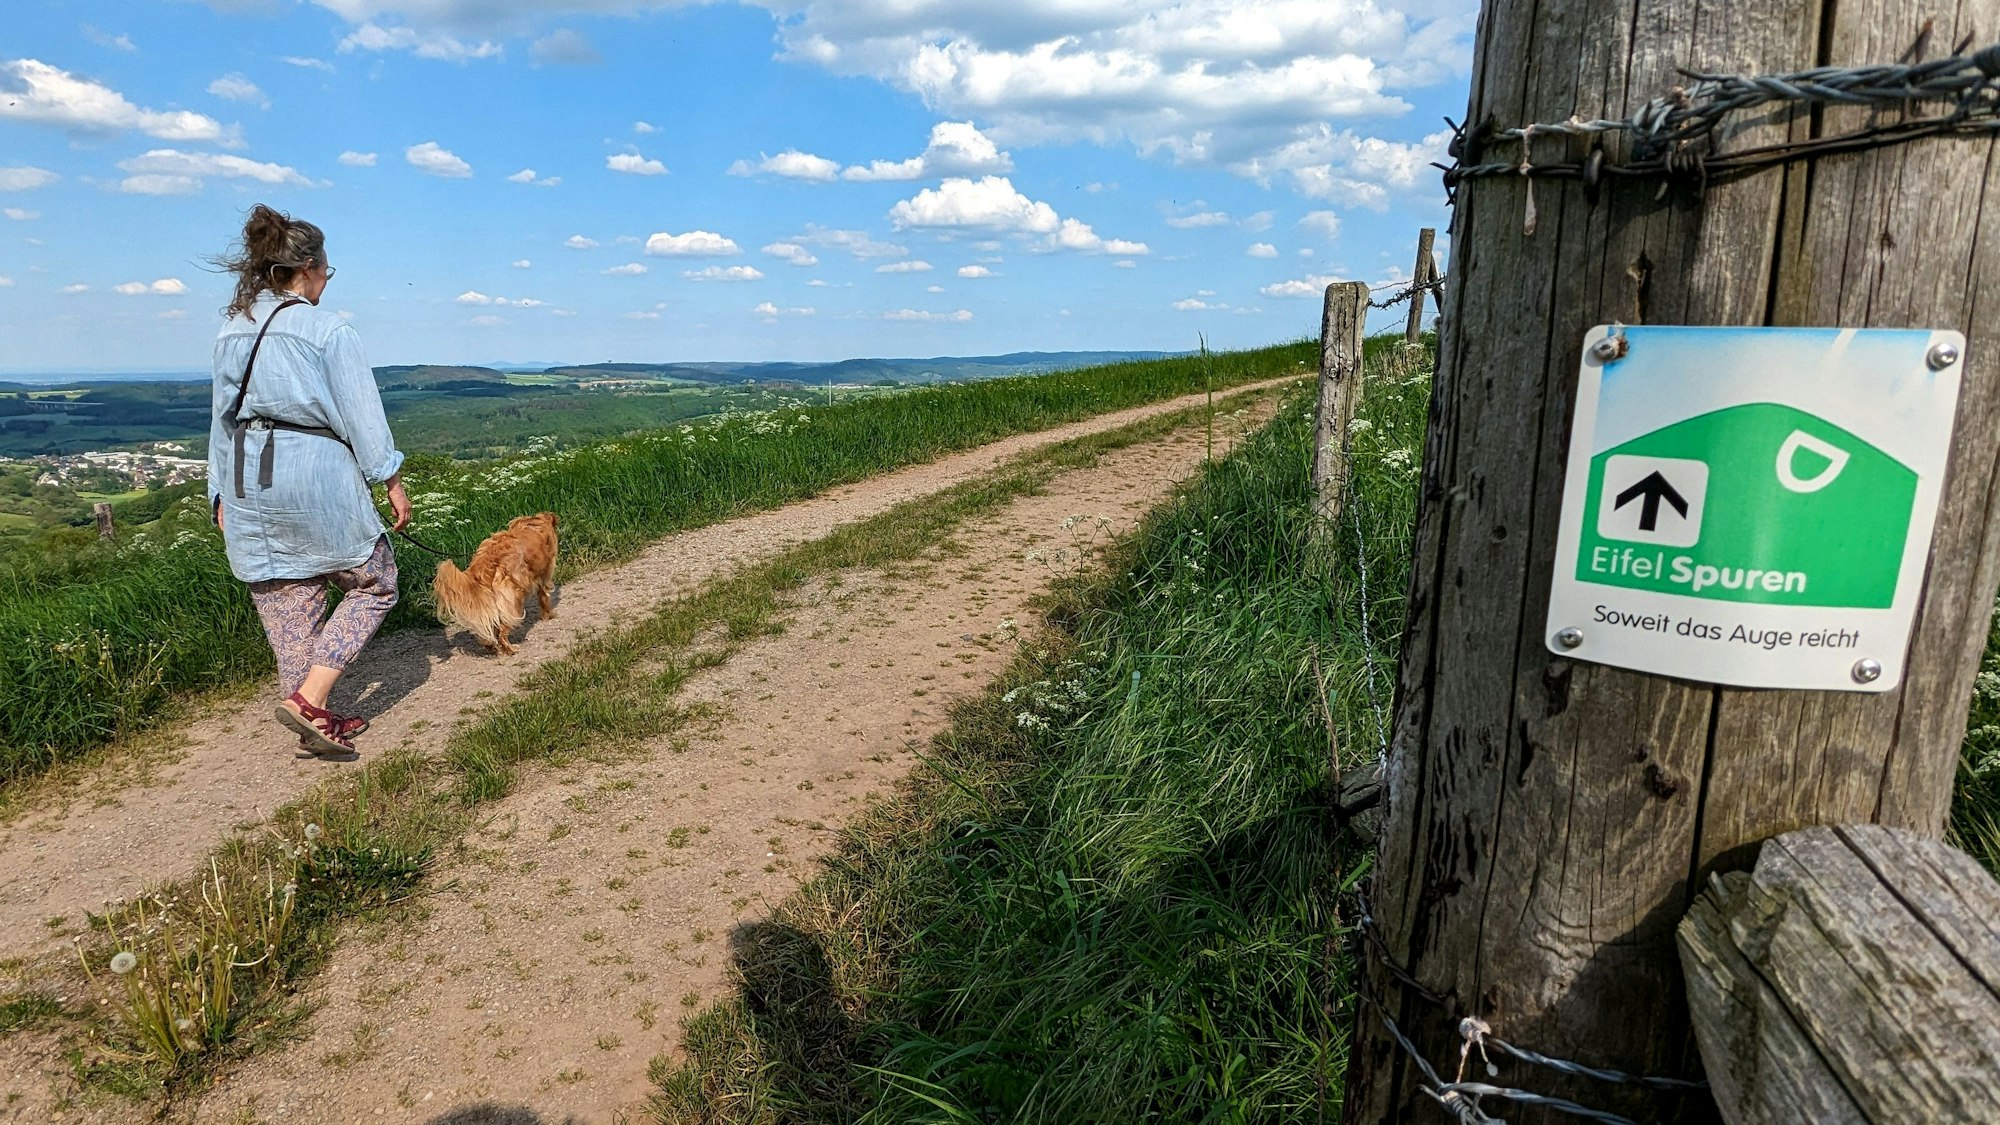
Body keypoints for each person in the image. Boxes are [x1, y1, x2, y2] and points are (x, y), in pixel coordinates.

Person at [207, 204, 413, 758]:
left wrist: (218, 491)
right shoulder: (327, 328)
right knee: (376, 581)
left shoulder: (233, 329)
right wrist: (389, 479)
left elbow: (221, 419)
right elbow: (362, 412)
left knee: (286, 595)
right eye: (327, 270)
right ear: (308, 269)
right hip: (313, 469)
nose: (326, 279)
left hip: (247, 476)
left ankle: (309, 713)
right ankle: (310, 699)